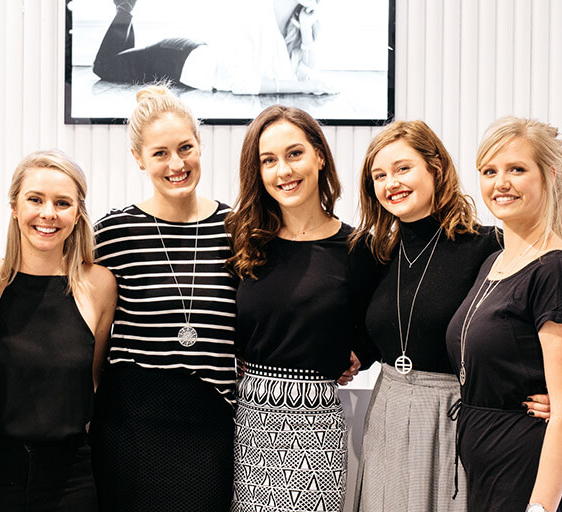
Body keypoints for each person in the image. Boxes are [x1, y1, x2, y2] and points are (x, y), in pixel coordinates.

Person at [350, 120, 550, 511]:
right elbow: (376, 332)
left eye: (403, 168)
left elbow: (546, 309)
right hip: (387, 408)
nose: (391, 182)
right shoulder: (377, 254)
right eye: (379, 175)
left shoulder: (489, 246)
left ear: (436, 168)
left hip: (454, 414)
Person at [89, 85, 237, 511]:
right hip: (130, 420)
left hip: (209, 420)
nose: (177, 164)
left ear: (200, 146)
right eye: (160, 153)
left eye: (185, 148)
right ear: (139, 158)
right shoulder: (114, 233)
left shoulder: (237, 229)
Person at [224, 105, 376, 512]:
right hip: (245, 421)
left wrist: (360, 353)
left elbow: (382, 323)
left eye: (295, 154)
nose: (283, 171)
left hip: (315, 428)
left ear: (320, 156)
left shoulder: (358, 248)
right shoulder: (242, 238)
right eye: (268, 161)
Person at [0, 150, 117, 511]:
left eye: (62, 203)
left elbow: (92, 378)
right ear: (14, 207)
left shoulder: (99, 285)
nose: (48, 214)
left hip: (69, 479)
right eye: (35, 199)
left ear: (77, 214)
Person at [445, 116, 562, 512]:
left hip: (528, 475)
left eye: (516, 169)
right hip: (488, 471)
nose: (500, 183)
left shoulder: (558, 270)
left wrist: (540, 507)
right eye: (489, 171)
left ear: (550, 174)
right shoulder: (494, 261)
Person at [92, 0, 332, 95]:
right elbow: (242, 84)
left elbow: (306, 72)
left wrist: (307, 32)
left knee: (120, 62)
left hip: (194, 58)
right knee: (104, 67)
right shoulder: (255, 17)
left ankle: (125, 9)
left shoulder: (294, 22)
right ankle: (125, 9)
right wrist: (303, 87)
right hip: (180, 60)